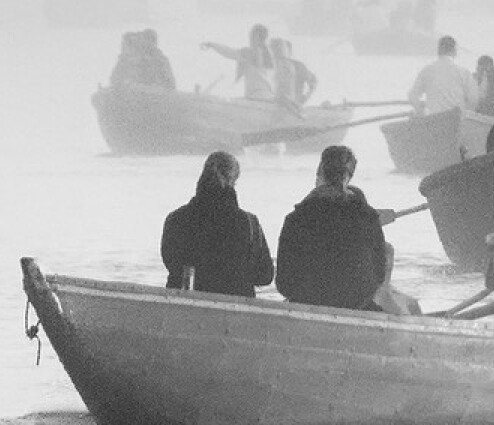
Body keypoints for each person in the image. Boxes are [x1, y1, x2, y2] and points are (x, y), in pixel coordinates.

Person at [275, 145, 396, 310]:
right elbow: (379, 276)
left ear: (320, 171)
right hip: (357, 306)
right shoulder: (368, 217)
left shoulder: (296, 218)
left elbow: (284, 284)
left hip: (307, 305)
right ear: (349, 177)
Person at [160, 151, 274, 296]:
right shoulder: (249, 224)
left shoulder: (175, 219)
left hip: (185, 304)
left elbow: (172, 264)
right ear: (233, 181)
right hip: (236, 305)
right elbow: (265, 276)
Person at [407, 35, 478, 114]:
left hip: (434, 118)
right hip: (457, 118)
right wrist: (465, 113)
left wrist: (421, 111)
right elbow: (474, 99)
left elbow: (412, 96)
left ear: (438, 51)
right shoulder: (464, 72)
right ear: (454, 51)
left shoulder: (426, 71)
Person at [202, 24, 275, 100]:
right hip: (269, 96)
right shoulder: (269, 56)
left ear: (256, 37)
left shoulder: (248, 53)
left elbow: (229, 52)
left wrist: (212, 44)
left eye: (251, 35)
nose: (249, 38)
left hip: (256, 96)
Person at [271, 38, 317, 108]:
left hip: (292, 107)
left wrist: (305, 98)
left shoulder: (298, 66)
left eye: (279, 49)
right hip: (275, 106)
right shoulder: (271, 66)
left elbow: (313, 81)